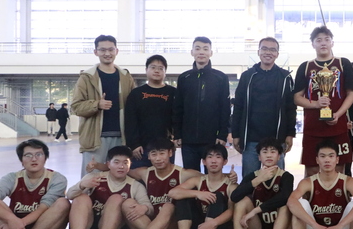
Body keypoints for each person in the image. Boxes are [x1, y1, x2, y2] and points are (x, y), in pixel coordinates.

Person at [85, 138, 233, 229]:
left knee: (169, 206)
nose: (158, 158)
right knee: (128, 203)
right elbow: (121, 169)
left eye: (162, 153)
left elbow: (210, 176)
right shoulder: (145, 172)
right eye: (154, 154)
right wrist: (98, 165)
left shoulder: (183, 173)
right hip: (146, 227)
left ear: (170, 153)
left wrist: (229, 176)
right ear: (148, 156)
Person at [67, 146, 153, 229]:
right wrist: (81, 185)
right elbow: (69, 195)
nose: (121, 166)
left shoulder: (135, 186)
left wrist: (144, 208)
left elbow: (149, 208)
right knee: (81, 197)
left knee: (116, 198)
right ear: (108, 164)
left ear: (130, 165)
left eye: (125, 163)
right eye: (116, 162)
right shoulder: (95, 177)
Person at [0, 139, 70, 229]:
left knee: (63, 203)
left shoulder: (57, 179)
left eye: (38, 154)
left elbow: (42, 209)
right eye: (28, 155)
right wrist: (11, 219)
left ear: (45, 158)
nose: (34, 159)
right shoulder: (12, 177)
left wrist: (19, 223)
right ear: (21, 160)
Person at [293, 26, 353, 177]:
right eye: (319, 40)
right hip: (313, 128)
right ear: (313, 44)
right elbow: (296, 97)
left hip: (338, 127)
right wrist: (315, 104)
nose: (323, 43)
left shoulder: (343, 63)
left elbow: (351, 94)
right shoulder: (305, 67)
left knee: (339, 170)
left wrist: (338, 114)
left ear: (332, 43)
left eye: (327, 39)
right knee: (312, 170)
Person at [225, 138, 294, 229]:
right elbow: (234, 197)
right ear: (259, 157)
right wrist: (258, 180)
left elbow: (284, 197)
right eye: (265, 152)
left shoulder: (286, 176)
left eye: (273, 151)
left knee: (286, 204)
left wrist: (255, 210)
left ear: (279, 156)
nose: (269, 155)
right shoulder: (253, 176)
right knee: (242, 201)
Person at [71, 35, 135, 177]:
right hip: (95, 138)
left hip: (122, 137)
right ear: (96, 52)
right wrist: (96, 104)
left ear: (116, 51)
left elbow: (134, 106)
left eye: (111, 49)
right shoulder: (86, 77)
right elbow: (76, 107)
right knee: (92, 178)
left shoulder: (126, 77)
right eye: (102, 50)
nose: (107, 53)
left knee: (119, 178)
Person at [231, 37, 296, 177]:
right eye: (264, 48)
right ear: (258, 52)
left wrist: (290, 134)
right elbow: (238, 107)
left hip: (277, 139)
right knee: (249, 181)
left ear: (277, 54)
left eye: (272, 50)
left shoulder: (285, 77)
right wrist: (236, 134)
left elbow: (290, 108)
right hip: (251, 139)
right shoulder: (247, 76)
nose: (268, 52)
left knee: (276, 181)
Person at [167, 144, 237, 229]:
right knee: (182, 197)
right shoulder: (198, 180)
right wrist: (197, 193)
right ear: (204, 161)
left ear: (225, 161)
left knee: (217, 196)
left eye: (218, 157)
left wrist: (213, 223)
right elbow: (172, 193)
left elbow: (233, 211)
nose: (214, 160)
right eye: (210, 157)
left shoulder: (231, 185)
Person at [173, 37, 231, 172]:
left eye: (205, 49)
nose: (201, 52)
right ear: (192, 52)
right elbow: (178, 108)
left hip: (212, 140)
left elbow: (225, 108)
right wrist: (177, 134)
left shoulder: (220, 78)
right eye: (197, 48)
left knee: (212, 176)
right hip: (188, 140)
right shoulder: (184, 78)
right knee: (191, 176)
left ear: (211, 53)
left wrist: (222, 134)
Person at [125, 55, 176, 169]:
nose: (157, 71)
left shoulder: (173, 93)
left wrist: (176, 137)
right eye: (153, 67)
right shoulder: (136, 93)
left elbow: (178, 117)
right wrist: (134, 144)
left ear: (165, 72)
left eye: (161, 68)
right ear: (146, 70)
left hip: (165, 147)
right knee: (140, 177)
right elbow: (130, 120)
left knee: (165, 177)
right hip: (141, 148)